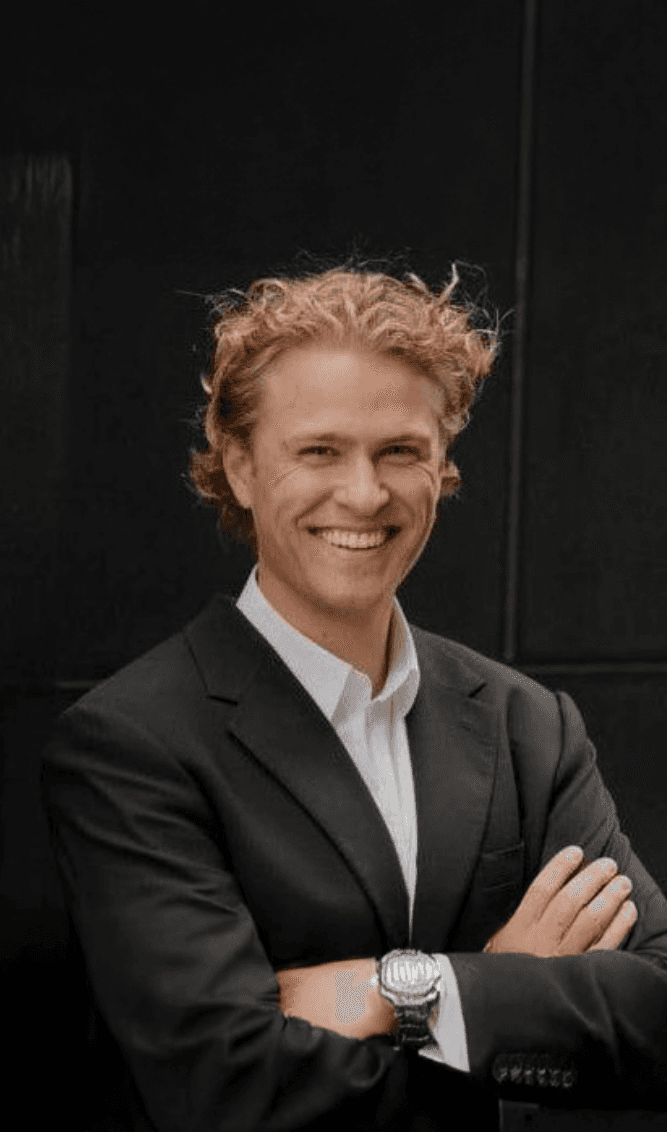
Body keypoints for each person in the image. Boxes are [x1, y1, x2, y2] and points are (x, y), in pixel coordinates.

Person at [41, 261, 667, 1132]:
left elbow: (657, 1011)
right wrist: (504, 1000)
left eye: (400, 451)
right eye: (319, 451)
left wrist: (404, 990)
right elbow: (233, 1092)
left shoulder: (527, 724)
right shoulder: (130, 743)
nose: (365, 493)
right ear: (240, 466)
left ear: (441, 465)